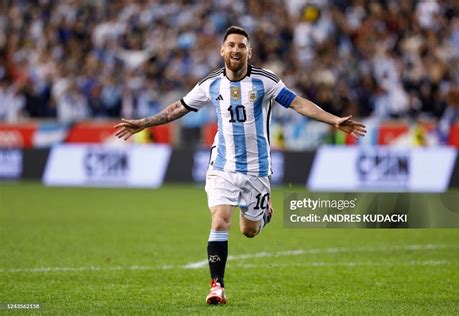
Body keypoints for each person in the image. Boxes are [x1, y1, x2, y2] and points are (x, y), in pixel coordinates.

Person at [114, 26, 367, 305]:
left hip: (257, 169)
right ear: (222, 50)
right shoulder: (211, 84)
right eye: (231, 45)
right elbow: (178, 108)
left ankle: (264, 213)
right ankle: (217, 286)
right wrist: (143, 123)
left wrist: (333, 119)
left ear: (249, 51)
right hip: (222, 164)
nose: (236, 50)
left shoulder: (265, 81)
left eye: (241, 46)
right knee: (220, 218)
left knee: (249, 231)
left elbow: (297, 104)